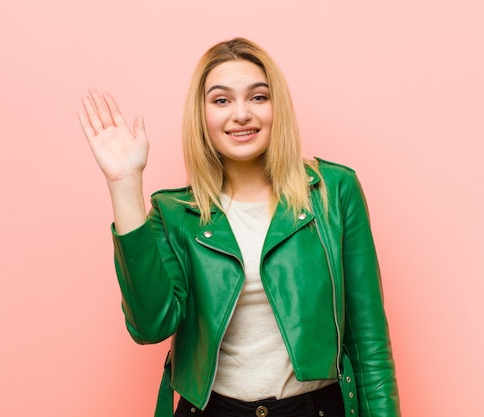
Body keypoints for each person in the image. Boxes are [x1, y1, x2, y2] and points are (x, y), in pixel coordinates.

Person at [78, 37, 400, 417]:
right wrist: (124, 185)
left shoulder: (334, 191)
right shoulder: (174, 214)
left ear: (276, 106)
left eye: (258, 97)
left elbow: (369, 342)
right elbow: (150, 325)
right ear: (202, 115)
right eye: (221, 100)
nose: (242, 114)